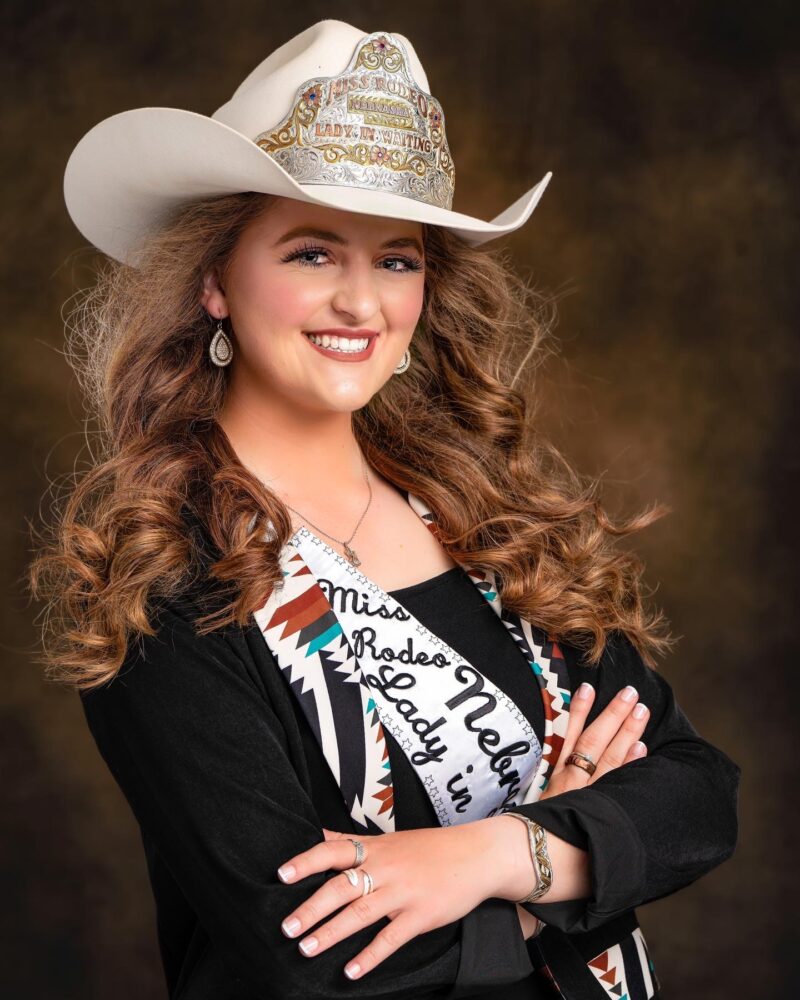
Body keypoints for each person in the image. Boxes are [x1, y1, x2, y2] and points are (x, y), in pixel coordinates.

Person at [29, 19, 740, 1000]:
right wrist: (576, 857)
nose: (360, 302)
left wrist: (489, 855)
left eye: (396, 259)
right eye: (313, 253)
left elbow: (696, 793)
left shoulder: (487, 524)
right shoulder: (165, 575)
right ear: (214, 283)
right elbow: (312, 956)